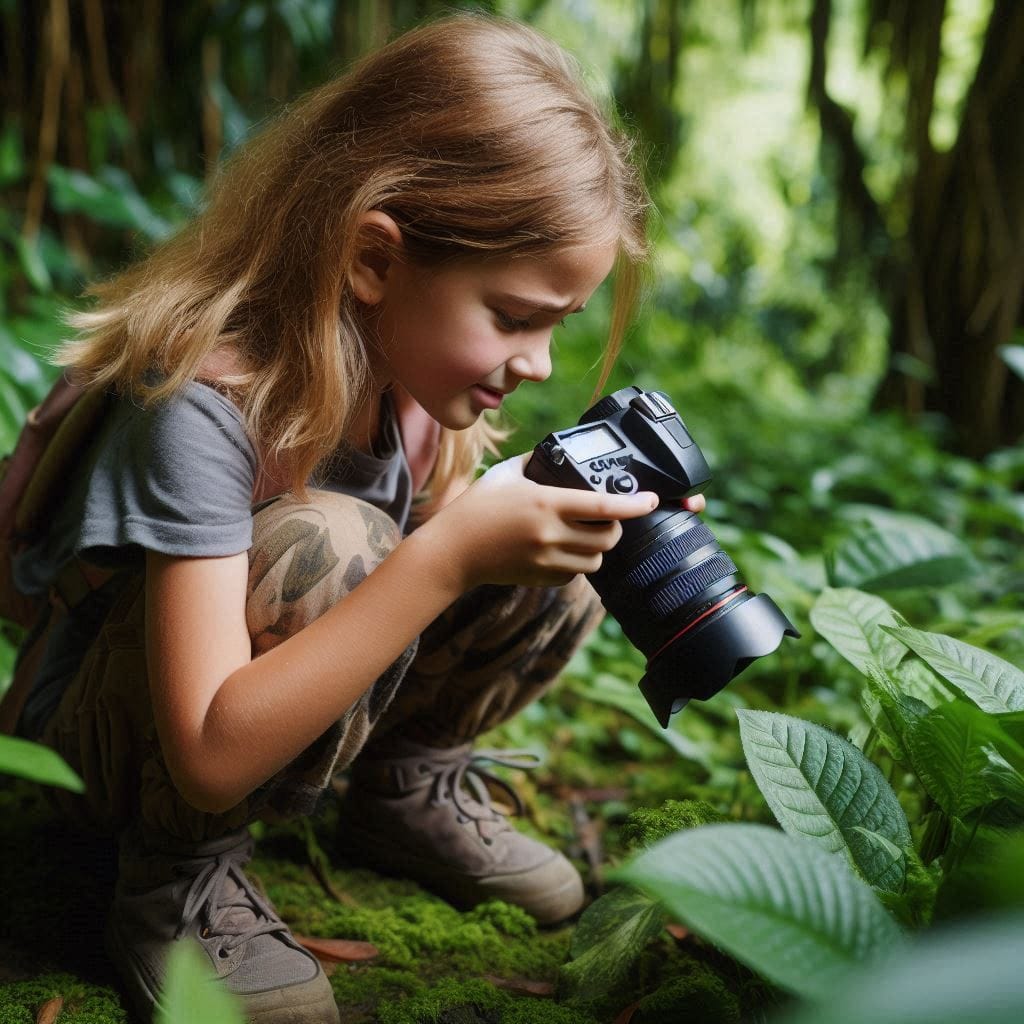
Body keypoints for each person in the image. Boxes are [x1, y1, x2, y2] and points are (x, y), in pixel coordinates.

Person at [10, 13, 703, 1022]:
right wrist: (448, 555)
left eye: (559, 325)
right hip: (119, 742)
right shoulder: (205, 407)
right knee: (328, 547)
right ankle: (174, 883)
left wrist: (530, 528)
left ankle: (396, 793)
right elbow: (206, 747)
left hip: (247, 708)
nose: (540, 362)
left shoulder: (406, 380)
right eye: (513, 317)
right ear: (373, 259)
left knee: (572, 527)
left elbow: (450, 557)